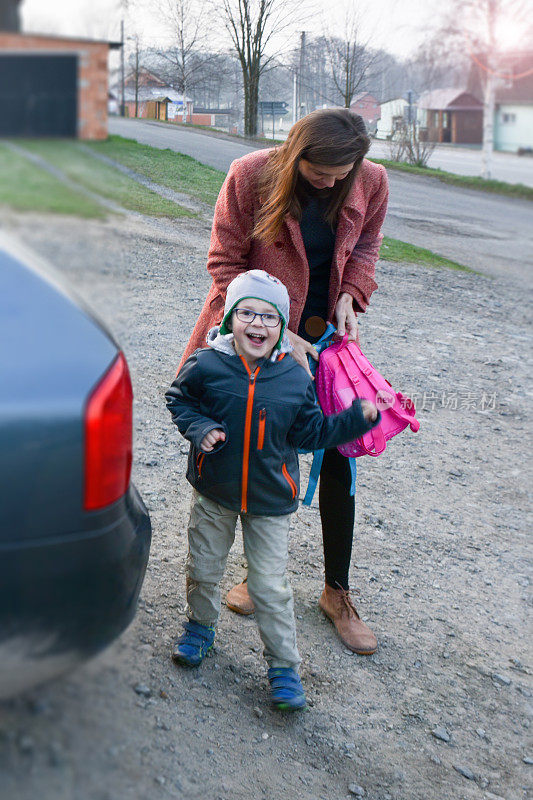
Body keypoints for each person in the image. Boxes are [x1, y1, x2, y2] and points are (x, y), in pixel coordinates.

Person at [177, 108, 389, 654]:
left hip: (329, 345)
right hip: (262, 338)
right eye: (324, 172)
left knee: (339, 452)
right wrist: (273, 337)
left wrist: (351, 295)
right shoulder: (250, 174)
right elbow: (224, 262)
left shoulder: (370, 180)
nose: (335, 182)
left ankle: (336, 591)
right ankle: (256, 572)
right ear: (298, 154)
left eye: (345, 172)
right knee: (255, 449)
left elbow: (366, 247)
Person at [166, 270, 380, 710]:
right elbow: (178, 399)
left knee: (269, 587)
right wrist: (200, 426)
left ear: (283, 326)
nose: (257, 324)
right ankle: (199, 627)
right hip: (214, 492)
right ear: (229, 319)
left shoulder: (293, 378)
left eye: (269, 316)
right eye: (246, 313)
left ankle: (283, 666)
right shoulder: (205, 364)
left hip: (270, 502)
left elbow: (312, 432)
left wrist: (355, 420)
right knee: (203, 567)